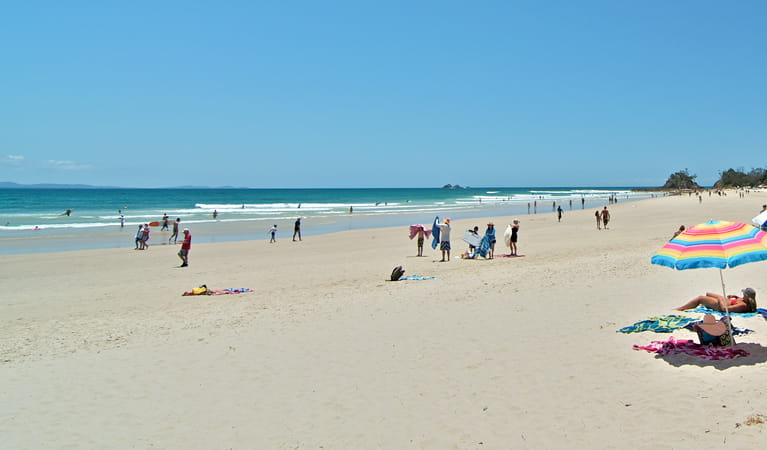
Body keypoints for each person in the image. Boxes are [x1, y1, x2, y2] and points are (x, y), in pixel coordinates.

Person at [676, 288, 757, 313]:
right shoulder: (744, 301)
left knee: (700, 298)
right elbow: (739, 300)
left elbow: (724, 309)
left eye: (744, 295)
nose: (742, 296)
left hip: (720, 305)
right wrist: (735, 297)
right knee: (708, 293)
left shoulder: (742, 305)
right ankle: (706, 302)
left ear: (747, 297)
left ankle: (682, 308)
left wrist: (719, 300)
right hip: (725, 301)